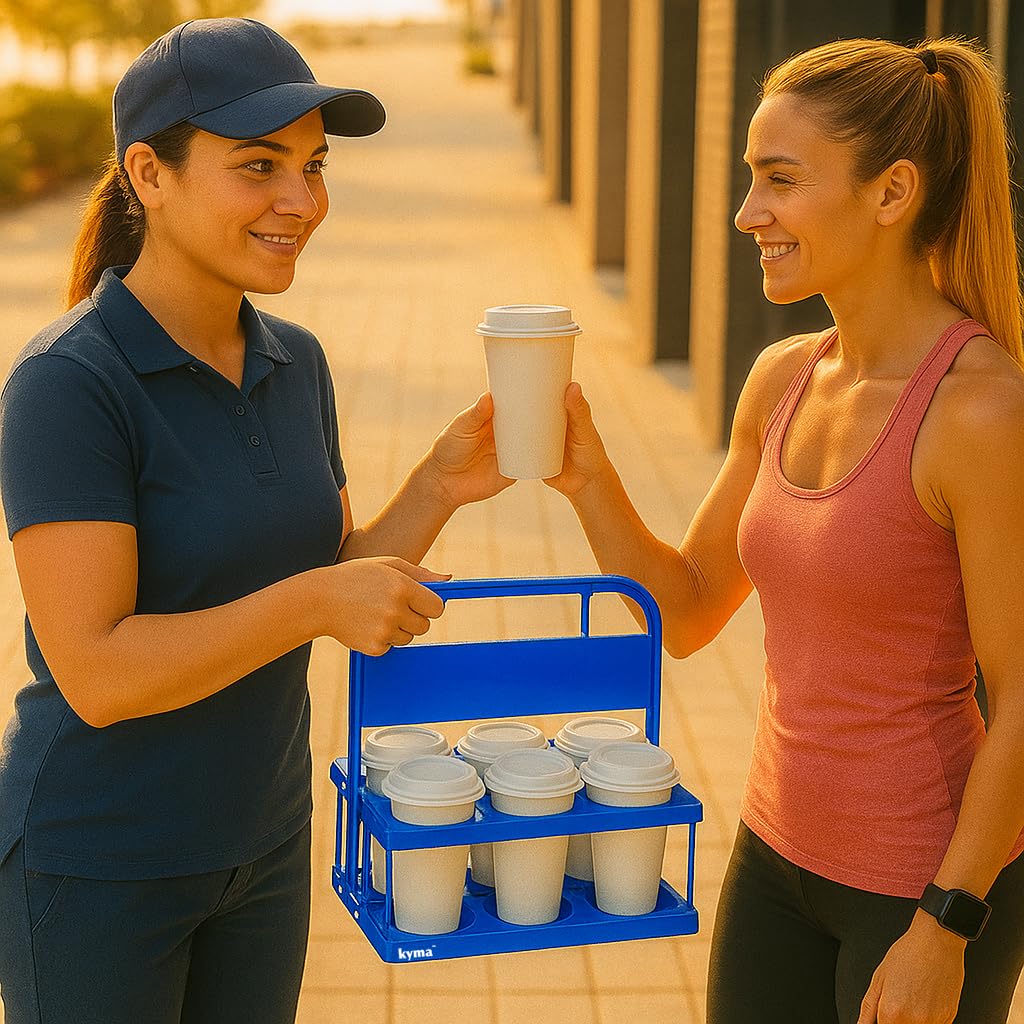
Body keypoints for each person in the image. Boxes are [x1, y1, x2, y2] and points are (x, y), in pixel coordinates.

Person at [0, 18, 512, 1024]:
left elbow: (333, 572)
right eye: (259, 165)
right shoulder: (70, 385)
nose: (302, 201)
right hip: (100, 868)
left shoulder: (296, 360)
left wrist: (439, 485)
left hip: (264, 845)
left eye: (314, 166)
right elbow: (97, 674)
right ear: (149, 173)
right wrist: (319, 599)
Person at [544, 37, 1024, 1024]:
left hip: (924, 884)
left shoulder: (980, 415)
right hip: (775, 855)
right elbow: (683, 610)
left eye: (778, 180)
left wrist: (946, 924)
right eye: (748, 179)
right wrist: (585, 477)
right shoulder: (783, 378)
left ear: (890, 194)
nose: (745, 213)